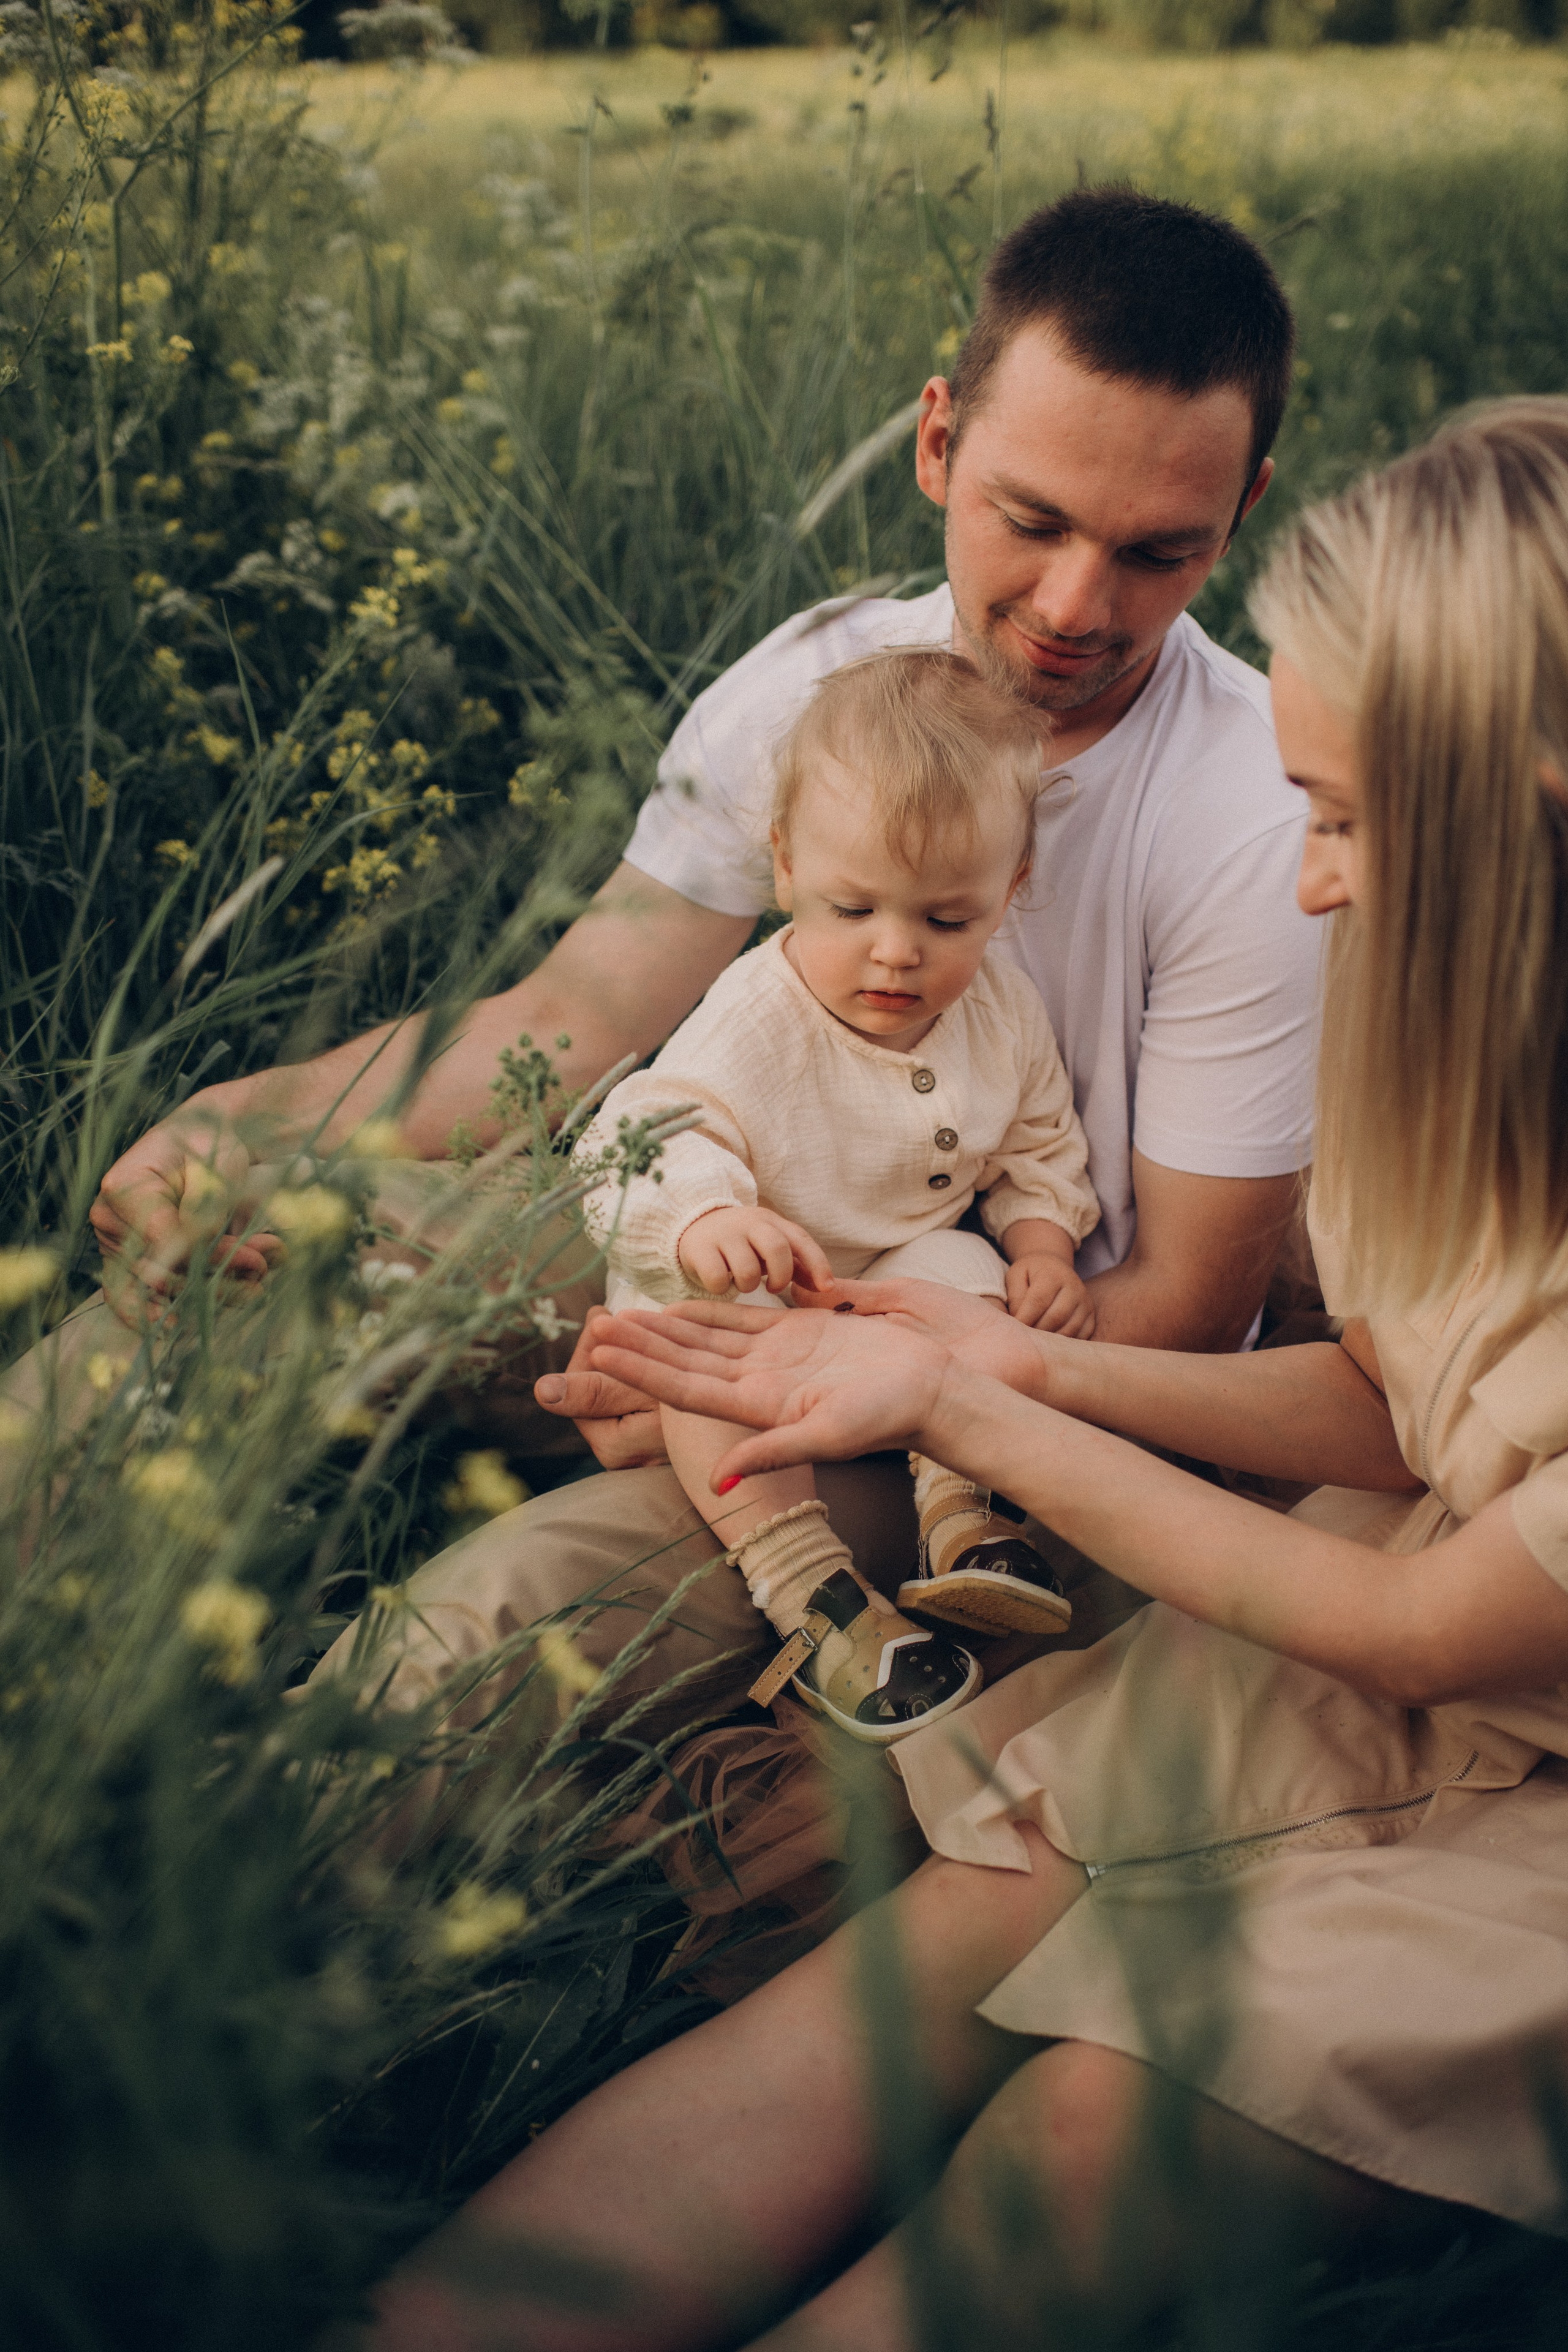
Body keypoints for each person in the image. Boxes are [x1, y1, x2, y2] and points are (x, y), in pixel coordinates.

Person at [355, 400, 1568, 2352]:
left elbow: (1437, 1623)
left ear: (1533, 807)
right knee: (930, 1959)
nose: (1315, 886)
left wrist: (969, 1407)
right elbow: (1393, 1408)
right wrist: (997, 1355)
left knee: (1098, 2134)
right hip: (1374, 1620)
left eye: (1343, 820)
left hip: (1490, 1715)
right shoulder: (1471, 1063)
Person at [26, 186, 1317, 1730]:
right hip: (707, 1232)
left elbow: (1174, 1309)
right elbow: (577, 1012)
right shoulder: (821, 680)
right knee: (237, 1261)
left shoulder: (1261, 812)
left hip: (987, 1394)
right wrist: (259, 1125)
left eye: (1155, 552)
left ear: (1241, 510)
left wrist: (773, 1362)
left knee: (480, 1643)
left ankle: (213, 1893)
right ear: (934, 443)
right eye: (1028, 520)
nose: (1071, 606)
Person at [578, 649, 1101, 1738]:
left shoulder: (1001, 1008)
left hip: (884, 1274)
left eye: (947, 921)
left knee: (968, 1279)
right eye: (852, 906)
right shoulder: (758, 1016)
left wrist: (1043, 1240)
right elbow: (634, 1138)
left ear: (1009, 891)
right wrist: (708, 1221)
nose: (897, 953)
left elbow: (1037, 1134)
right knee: (710, 1366)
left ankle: (964, 1517)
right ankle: (810, 1593)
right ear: (783, 866)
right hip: (751, 1281)